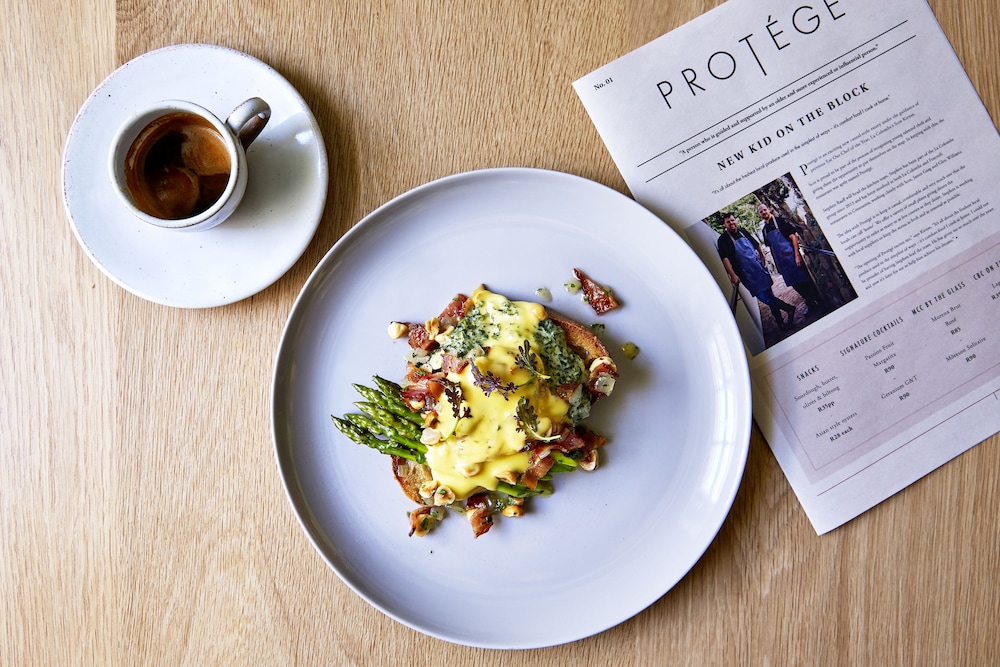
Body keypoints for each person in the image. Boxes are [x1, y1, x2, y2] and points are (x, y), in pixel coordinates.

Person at [717, 212, 796, 328]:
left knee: (770, 296)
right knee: (765, 298)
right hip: (746, 275)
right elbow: (725, 258)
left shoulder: (743, 232)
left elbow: (757, 245)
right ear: (725, 224)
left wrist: (762, 257)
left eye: (732, 220)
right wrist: (732, 274)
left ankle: (780, 323)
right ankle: (789, 308)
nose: (731, 223)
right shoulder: (723, 240)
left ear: (735, 221)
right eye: (728, 222)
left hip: (758, 269)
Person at [758, 203, 824, 316]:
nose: (763, 212)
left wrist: (797, 255)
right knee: (795, 285)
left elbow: (793, 237)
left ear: (768, 209)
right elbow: (772, 248)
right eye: (761, 211)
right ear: (759, 215)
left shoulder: (780, 221)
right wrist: (777, 265)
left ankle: (820, 304)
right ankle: (811, 304)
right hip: (783, 263)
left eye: (764, 210)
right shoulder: (764, 230)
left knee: (805, 282)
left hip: (792, 257)